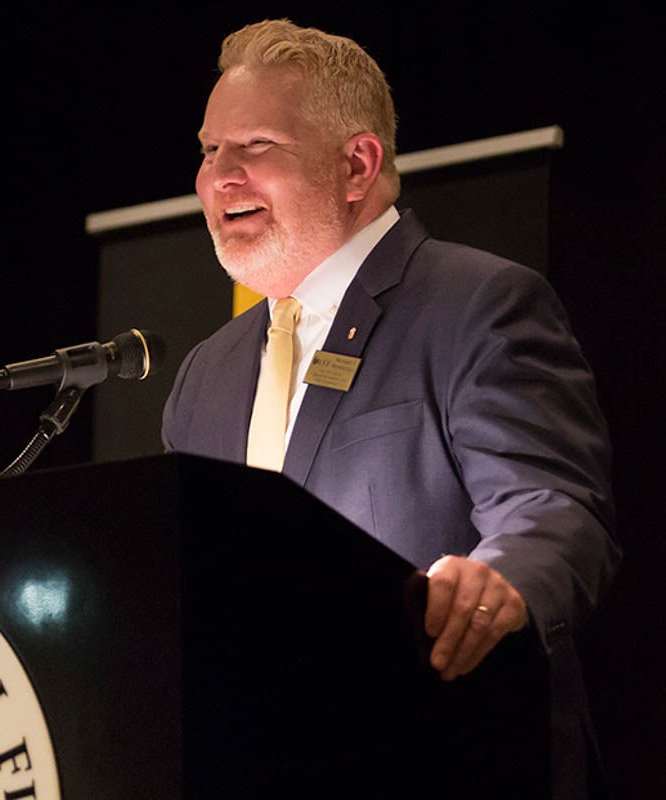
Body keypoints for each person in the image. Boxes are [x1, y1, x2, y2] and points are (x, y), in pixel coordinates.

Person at [162, 18, 620, 797]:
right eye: (210, 151)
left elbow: (552, 509)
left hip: (446, 755)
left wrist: (495, 584)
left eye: (256, 147)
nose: (219, 179)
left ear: (356, 164)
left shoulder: (476, 304)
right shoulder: (205, 373)